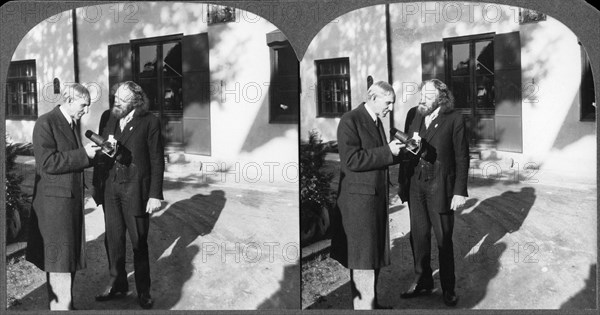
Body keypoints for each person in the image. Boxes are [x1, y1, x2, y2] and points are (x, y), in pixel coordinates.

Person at [26, 83, 101, 310]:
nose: (86, 111)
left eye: (88, 106)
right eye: (83, 105)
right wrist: (83, 154)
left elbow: (70, 158)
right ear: (69, 100)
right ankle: (61, 308)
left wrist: (94, 154)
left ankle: (66, 305)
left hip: (68, 205)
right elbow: (48, 163)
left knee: (67, 259)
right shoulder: (45, 122)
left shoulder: (70, 123)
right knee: (59, 261)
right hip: (55, 209)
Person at [330, 81, 404, 309]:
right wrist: (387, 151)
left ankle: (370, 304)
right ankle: (364, 308)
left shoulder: (375, 121)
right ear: (373, 98)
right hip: (359, 206)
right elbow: (352, 160)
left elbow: (379, 157)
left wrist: (403, 151)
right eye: (388, 102)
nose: (391, 108)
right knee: (363, 260)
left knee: (373, 258)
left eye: (392, 103)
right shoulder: (350, 120)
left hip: (373, 202)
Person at [92, 81, 164, 309]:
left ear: (136, 101)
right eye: (116, 98)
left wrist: (155, 194)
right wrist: (97, 186)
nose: (117, 103)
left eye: (122, 100)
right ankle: (117, 284)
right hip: (111, 187)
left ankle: (143, 291)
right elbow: (99, 151)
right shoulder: (108, 117)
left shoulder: (150, 121)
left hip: (136, 190)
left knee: (138, 242)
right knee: (113, 240)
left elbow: (156, 159)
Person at [399, 79, 469, 306]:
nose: (423, 98)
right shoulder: (414, 114)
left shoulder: (455, 119)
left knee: (443, 240)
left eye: (429, 95)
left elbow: (462, 156)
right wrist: (402, 182)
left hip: (441, 187)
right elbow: (406, 148)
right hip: (416, 184)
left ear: (442, 97)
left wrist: (459, 191)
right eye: (422, 94)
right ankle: (423, 281)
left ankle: (448, 288)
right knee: (418, 237)